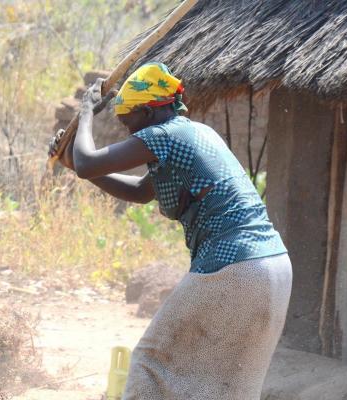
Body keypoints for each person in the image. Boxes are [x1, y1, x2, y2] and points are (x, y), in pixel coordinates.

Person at [49, 63, 292, 399]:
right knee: (227, 385)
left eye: (129, 122)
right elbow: (139, 191)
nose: (131, 134)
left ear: (149, 112)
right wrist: (74, 164)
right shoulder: (194, 134)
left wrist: (87, 113)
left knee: (151, 362)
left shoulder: (165, 135)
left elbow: (90, 161)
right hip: (273, 268)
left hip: (233, 263)